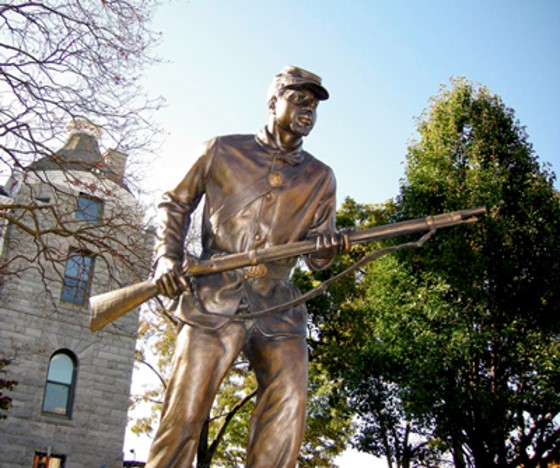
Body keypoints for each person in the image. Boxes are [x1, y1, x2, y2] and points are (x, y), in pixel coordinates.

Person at [146, 65, 341, 467]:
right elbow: (174, 203)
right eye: (298, 99)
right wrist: (167, 255)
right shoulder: (220, 149)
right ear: (273, 102)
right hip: (213, 297)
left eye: (314, 106)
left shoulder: (321, 178)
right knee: (186, 410)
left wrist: (326, 249)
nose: (308, 110)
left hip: (277, 306)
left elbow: (318, 254)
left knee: (290, 399)